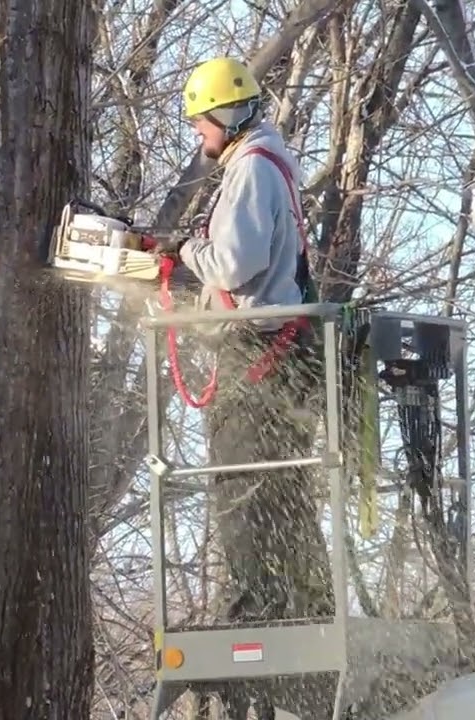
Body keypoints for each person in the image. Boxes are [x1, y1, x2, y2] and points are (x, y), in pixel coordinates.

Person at [158, 57, 340, 720]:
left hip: (260, 356)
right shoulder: (267, 164)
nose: (199, 135)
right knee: (282, 490)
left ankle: (254, 616)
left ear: (225, 115)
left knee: (245, 490)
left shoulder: (252, 167)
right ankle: (305, 611)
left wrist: (186, 252)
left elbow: (235, 260)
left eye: (201, 122)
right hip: (280, 355)